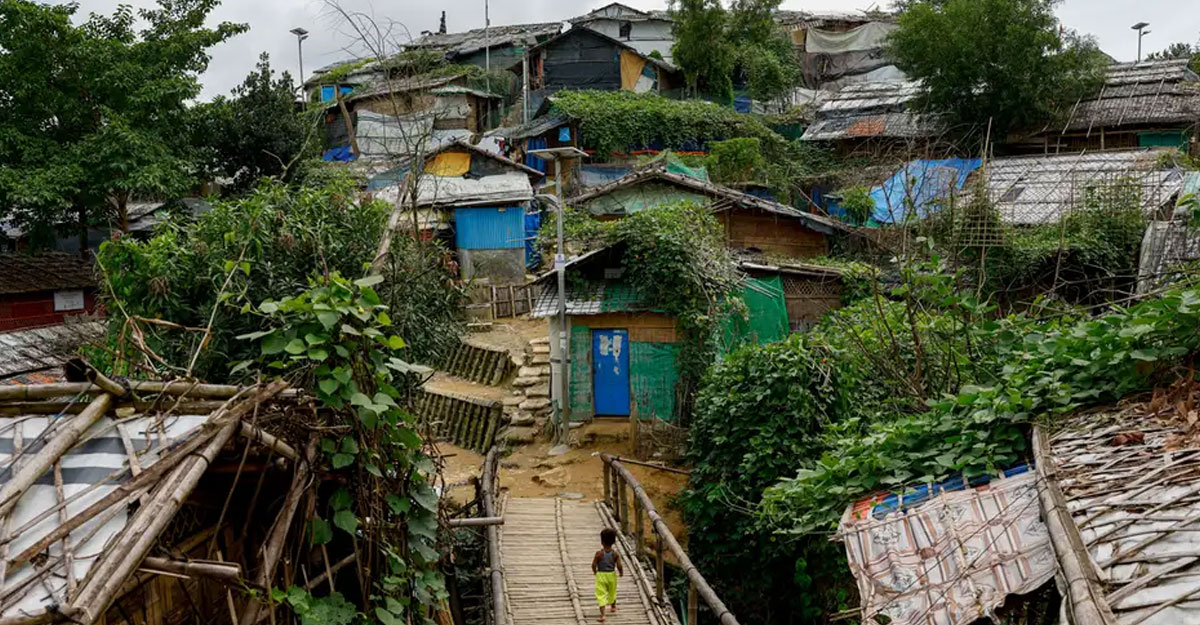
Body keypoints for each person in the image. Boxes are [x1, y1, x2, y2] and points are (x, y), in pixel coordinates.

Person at [592, 528, 623, 622]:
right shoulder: (615, 554)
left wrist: (595, 571)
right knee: (612, 590)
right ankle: (613, 606)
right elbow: (619, 565)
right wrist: (621, 572)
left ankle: (603, 615)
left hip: (601, 575)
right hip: (611, 575)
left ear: (602, 542)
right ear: (613, 541)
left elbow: (593, 564)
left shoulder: (599, 554)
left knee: (601, 594)